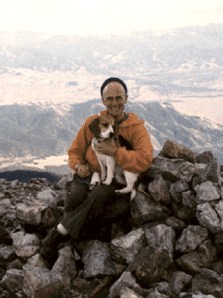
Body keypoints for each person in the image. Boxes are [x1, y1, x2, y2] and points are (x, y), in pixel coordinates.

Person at [40, 77, 154, 261]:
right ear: (103, 101)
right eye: (109, 99)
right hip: (88, 175)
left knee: (97, 196)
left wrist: (117, 153)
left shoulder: (136, 129)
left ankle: (57, 235)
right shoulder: (93, 122)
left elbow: (145, 160)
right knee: (75, 198)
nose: (114, 103)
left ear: (126, 98)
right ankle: (81, 231)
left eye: (119, 97)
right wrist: (79, 165)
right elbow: (74, 151)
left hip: (112, 179)